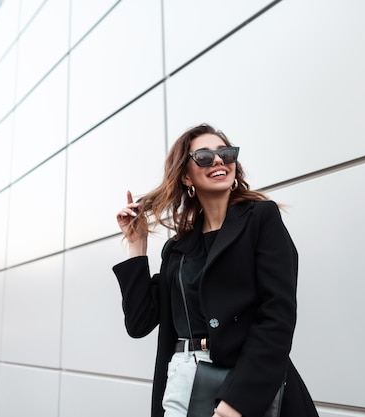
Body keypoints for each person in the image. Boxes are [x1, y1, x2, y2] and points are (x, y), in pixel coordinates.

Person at [113, 123, 319, 417]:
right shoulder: (178, 247)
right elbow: (139, 322)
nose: (219, 160)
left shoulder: (261, 219)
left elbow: (278, 316)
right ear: (185, 176)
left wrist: (235, 404)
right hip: (182, 386)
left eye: (226, 153)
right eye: (205, 157)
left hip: (245, 386)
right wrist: (136, 246)